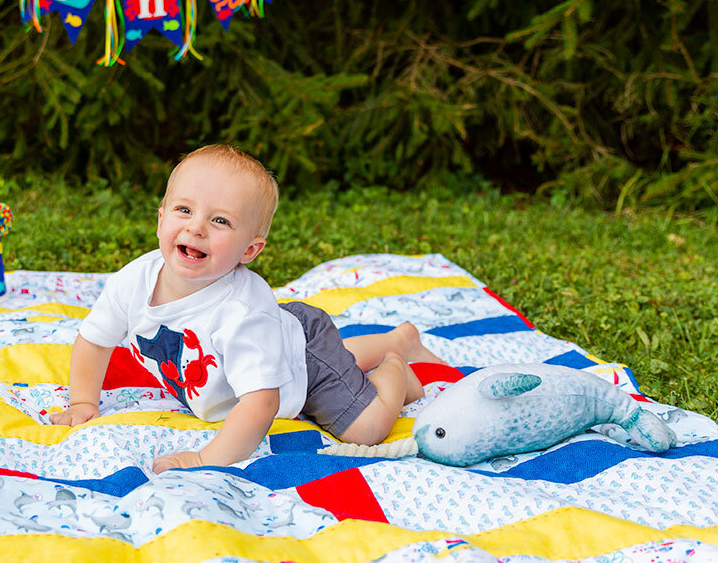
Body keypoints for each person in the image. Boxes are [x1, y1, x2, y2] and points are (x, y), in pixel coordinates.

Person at [50, 144, 444, 473]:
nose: (196, 227)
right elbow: (93, 341)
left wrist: (207, 459)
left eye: (220, 220)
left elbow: (261, 403)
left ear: (250, 250)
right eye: (184, 210)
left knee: (364, 426)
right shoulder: (135, 280)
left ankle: (395, 365)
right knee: (306, 364)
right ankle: (399, 337)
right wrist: (83, 402)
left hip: (300, 352)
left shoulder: (241, 313)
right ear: (160, 219)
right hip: (283, 347)